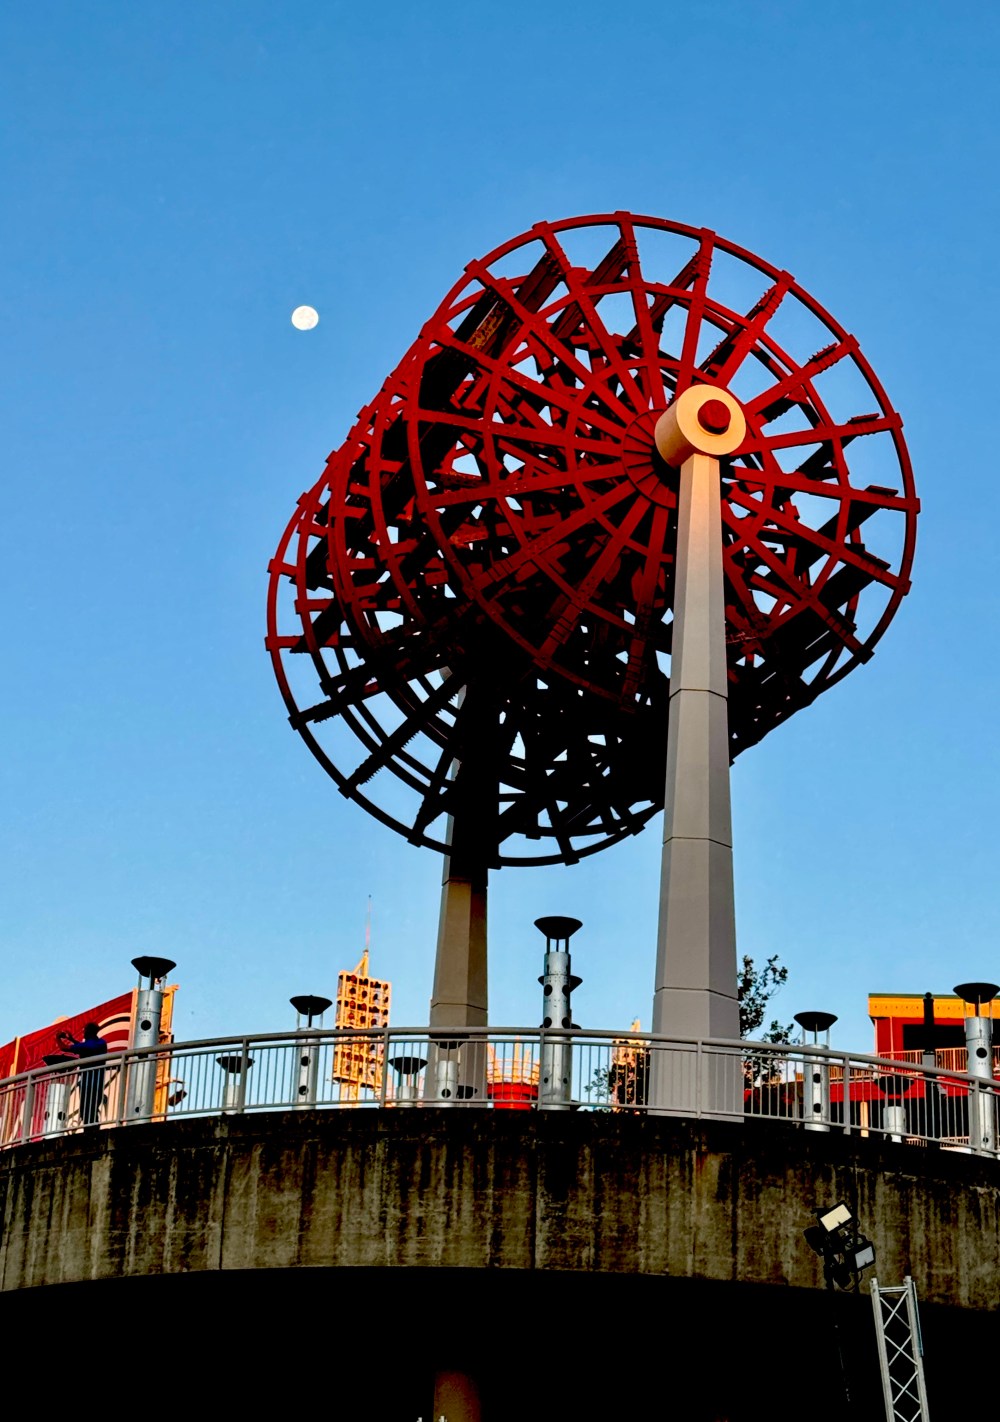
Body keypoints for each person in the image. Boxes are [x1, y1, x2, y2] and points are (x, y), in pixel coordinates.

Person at [55, 1022, 108, 1129]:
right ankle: (93, 1131)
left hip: (88, 1084)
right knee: (92, 1109)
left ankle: (91, 1134)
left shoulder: (88, 1046)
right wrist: (72, 1039)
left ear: (89, 1032)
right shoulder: (101, 1043)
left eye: (85, 1030)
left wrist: (57, 1038)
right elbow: (85, 1047)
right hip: (98, 1082)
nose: (83, 1032)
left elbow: (64, 1048)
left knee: (86, 1111)